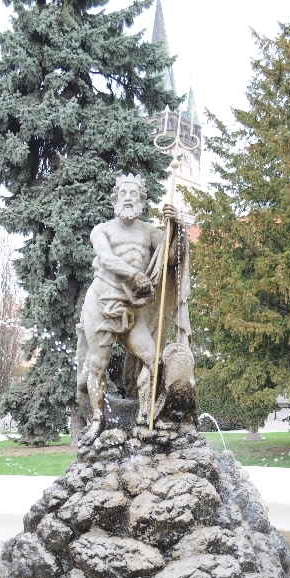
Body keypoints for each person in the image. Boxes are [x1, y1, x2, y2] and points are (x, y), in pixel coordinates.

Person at [77, 173, 189, 445]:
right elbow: (106, 258)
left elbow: (171, 258)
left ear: (141, 199)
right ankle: (97, 421)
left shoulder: (150, 232)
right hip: (102, 300)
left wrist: (177, 226)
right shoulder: (102, 230)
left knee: (154, 360)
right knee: (98, 364)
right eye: (123, 193)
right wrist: (134, 274)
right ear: (116, 198)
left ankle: (146, 415)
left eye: (134, 193)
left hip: (132, 306)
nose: (128, 198)